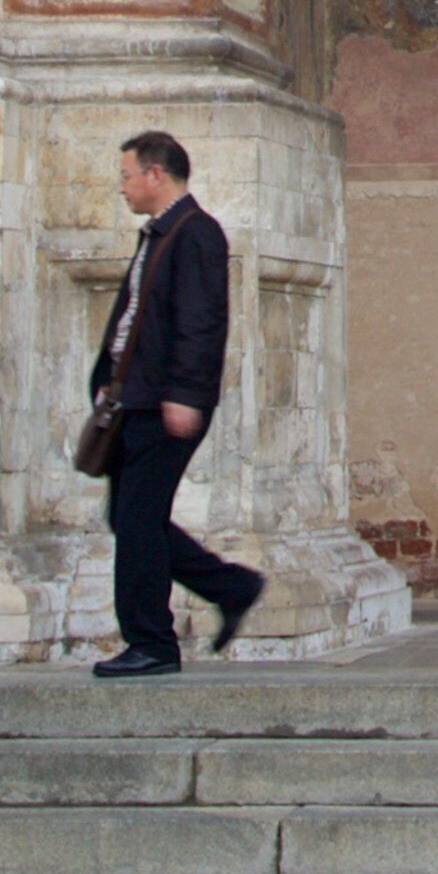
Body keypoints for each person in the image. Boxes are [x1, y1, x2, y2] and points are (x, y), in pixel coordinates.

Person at [88, 130, 266, 676]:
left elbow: (200, 323)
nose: (121, 187)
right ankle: (231, 586)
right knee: (128, 514)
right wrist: (108, 379)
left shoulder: (197, 234)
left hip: (165, 402)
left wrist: (184, 396)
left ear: (155, 174)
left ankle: (152, 643)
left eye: (126, 176)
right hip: (135, 398)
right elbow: (137, 317)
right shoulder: (161, 235)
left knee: (139, 519)